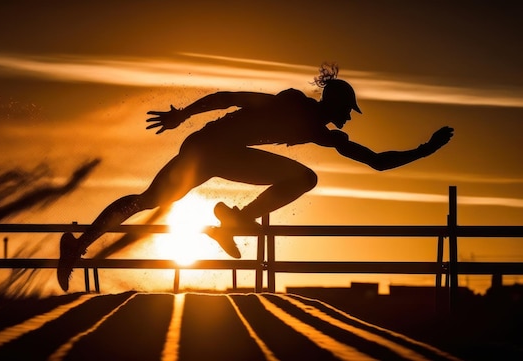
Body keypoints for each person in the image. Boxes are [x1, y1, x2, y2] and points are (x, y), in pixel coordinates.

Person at [56, 63, 454, 291]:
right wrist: (183, 115)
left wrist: (426, 149)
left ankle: (232, 221)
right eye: (348, 110)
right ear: (334, 104)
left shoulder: (322, 133)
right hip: (205, 148)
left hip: (217, 154)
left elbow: (378, 162)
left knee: (303, 178)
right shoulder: (291, 103)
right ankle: (80, 245)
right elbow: (227, 98)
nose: (349, 118)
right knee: (151, 200)